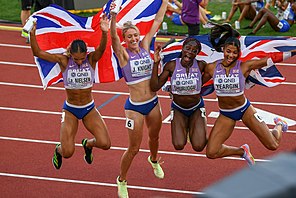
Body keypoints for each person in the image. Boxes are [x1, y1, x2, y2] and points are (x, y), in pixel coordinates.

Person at [29, 13, 111, 170]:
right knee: (68, 152)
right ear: (71, 54)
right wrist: (33, 34)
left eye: (81, 58)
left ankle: (88, 144)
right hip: (71, 109)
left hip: (89, 108)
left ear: (86, 54)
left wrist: (105, 31)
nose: (79, 62)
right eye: (76, 59)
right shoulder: (64, 61)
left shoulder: (91, 59)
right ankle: (58, 150)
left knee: (105, 143)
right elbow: (38, 53)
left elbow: (102, 48)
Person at [202, 24, 289, 166]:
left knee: (273, 145)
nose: (231, 55)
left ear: (239, 53)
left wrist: (292, 50)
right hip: (226, 114)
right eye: (228, 51)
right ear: (223, 50)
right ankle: (242, 151)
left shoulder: (244, 66)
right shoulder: (212, 67)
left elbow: (272, 58)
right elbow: (198, 85)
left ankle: (279, 124)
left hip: (244, 110)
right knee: (211, 152)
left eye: (234, 53)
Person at [109, 0, 168, 197]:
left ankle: (153, 159)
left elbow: (158, 19)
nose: (134, 38)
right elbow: (113, 40)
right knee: (133, 148)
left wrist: (166, 1)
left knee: (155, 137)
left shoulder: (145, 45)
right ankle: (122, 180)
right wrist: (114, 16)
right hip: (135, 107)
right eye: (129, 36)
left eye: (135, 35)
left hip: (153, 103)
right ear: (125, 39)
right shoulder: (123, 55)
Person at [150, 38, 208, 153]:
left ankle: (196, 124)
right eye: (188, 48)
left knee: (199, 146)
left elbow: (213, 73)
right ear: (182, 48)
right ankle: (187, 126)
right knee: (179, 145)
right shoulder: (171, 66)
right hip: (179, 109)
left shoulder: (201, 66)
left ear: (197, 54)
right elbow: (154, 86)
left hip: (196, 107)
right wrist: (156, 63)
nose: (190, 52)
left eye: (194, 51)